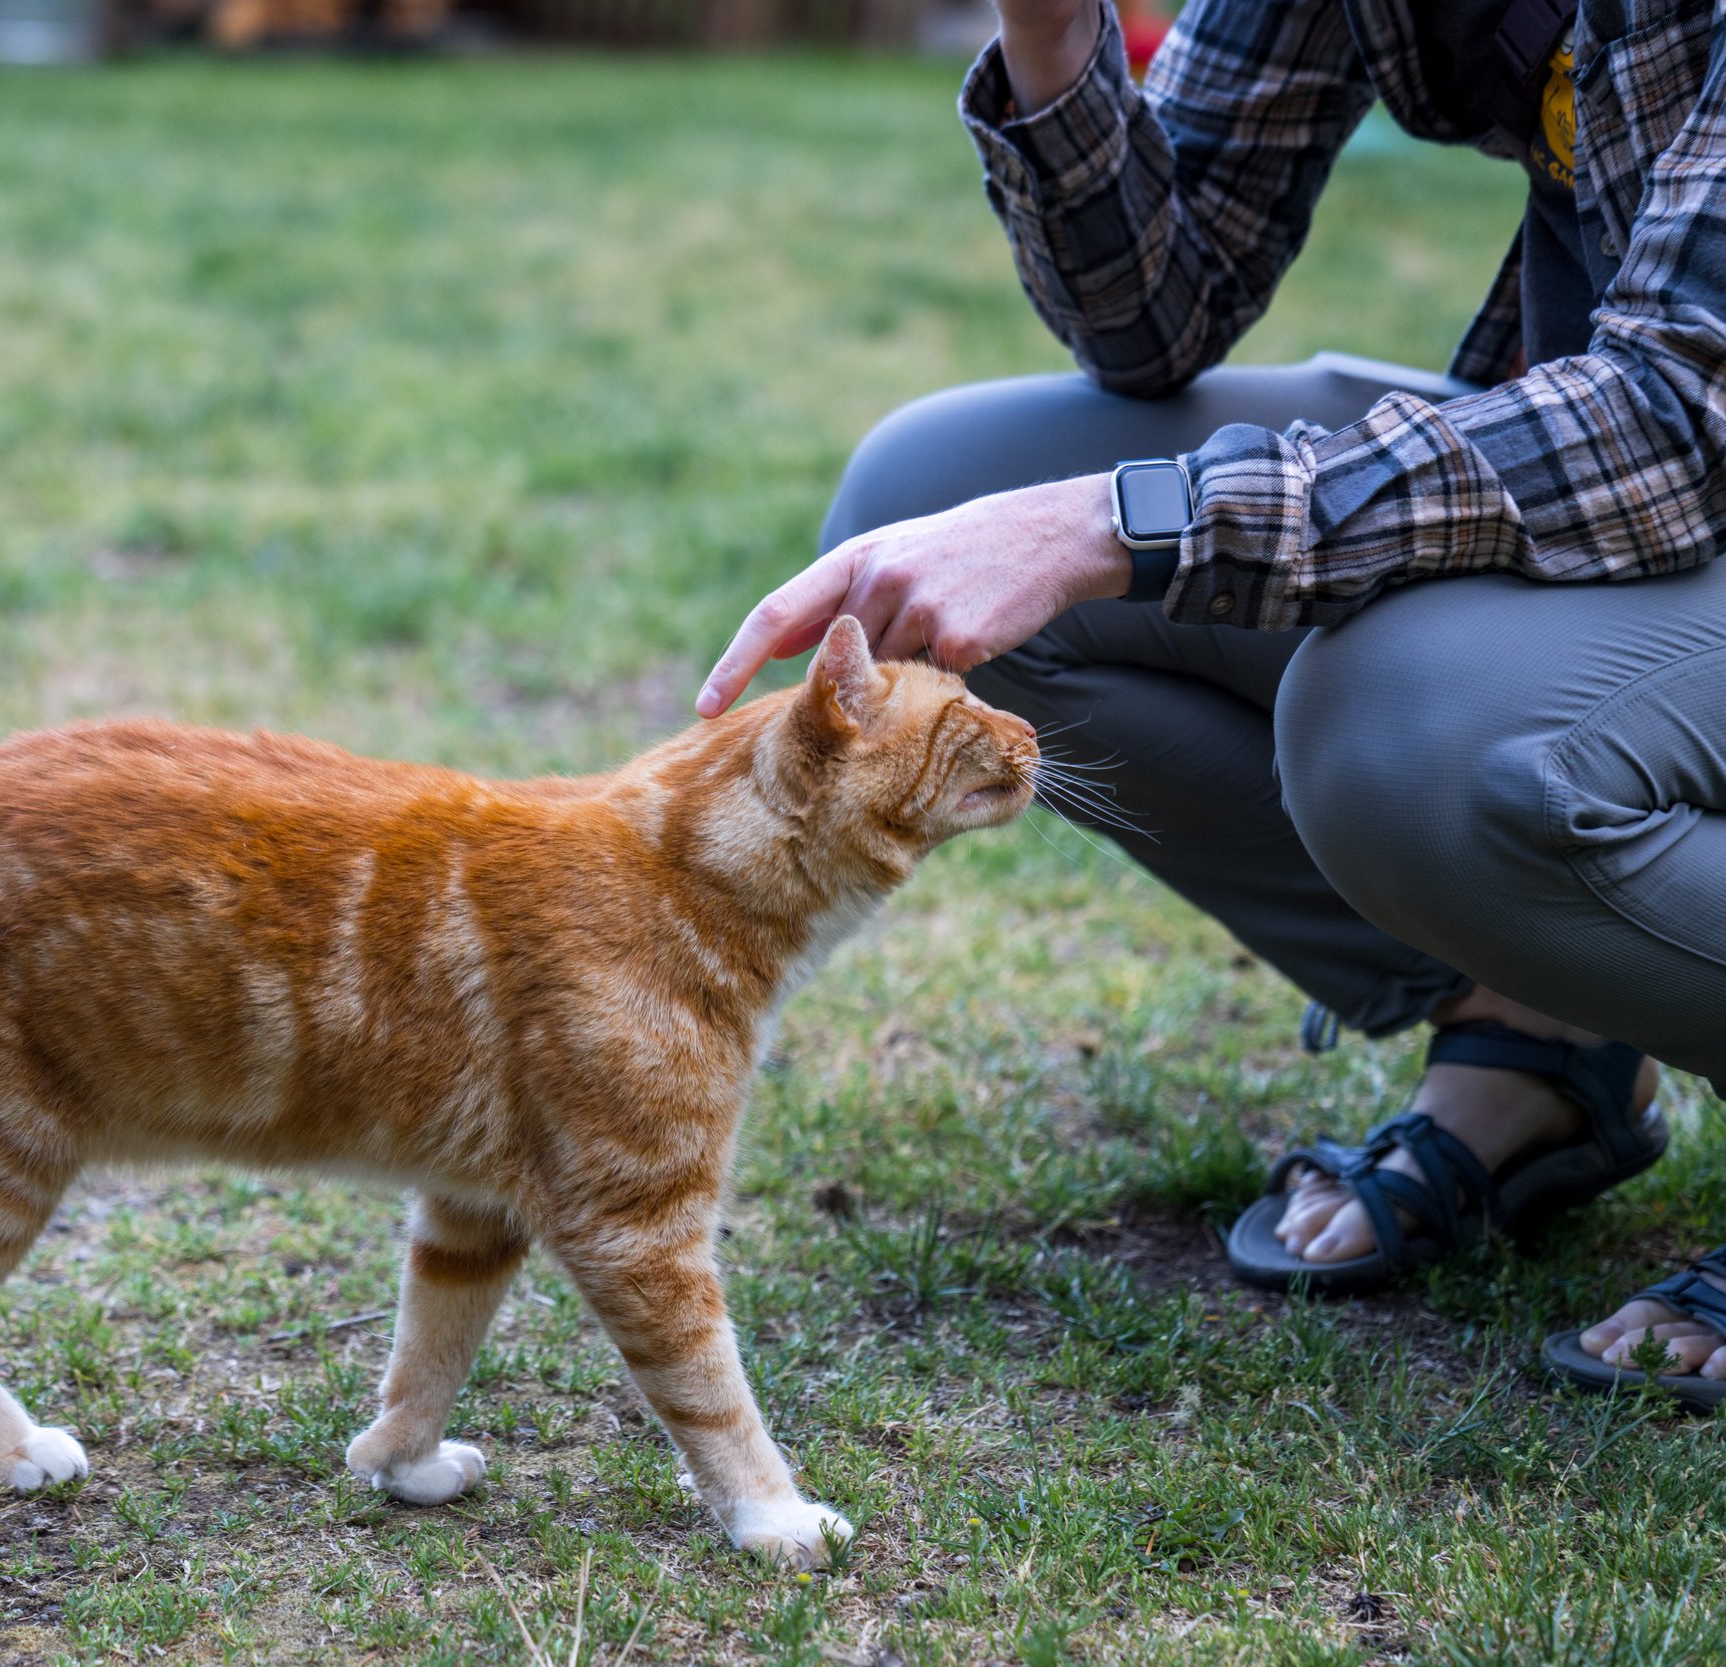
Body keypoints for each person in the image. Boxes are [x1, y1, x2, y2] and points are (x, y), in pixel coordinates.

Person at [696, 0, 1726, 1404]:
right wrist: (1051, 32)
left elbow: (1675, 421)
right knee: (929, 505)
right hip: (1641, 491)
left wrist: (1115, 527)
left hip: (1679, 453)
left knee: (1408, 730)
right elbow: (1155, 316)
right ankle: (1540, 1029)